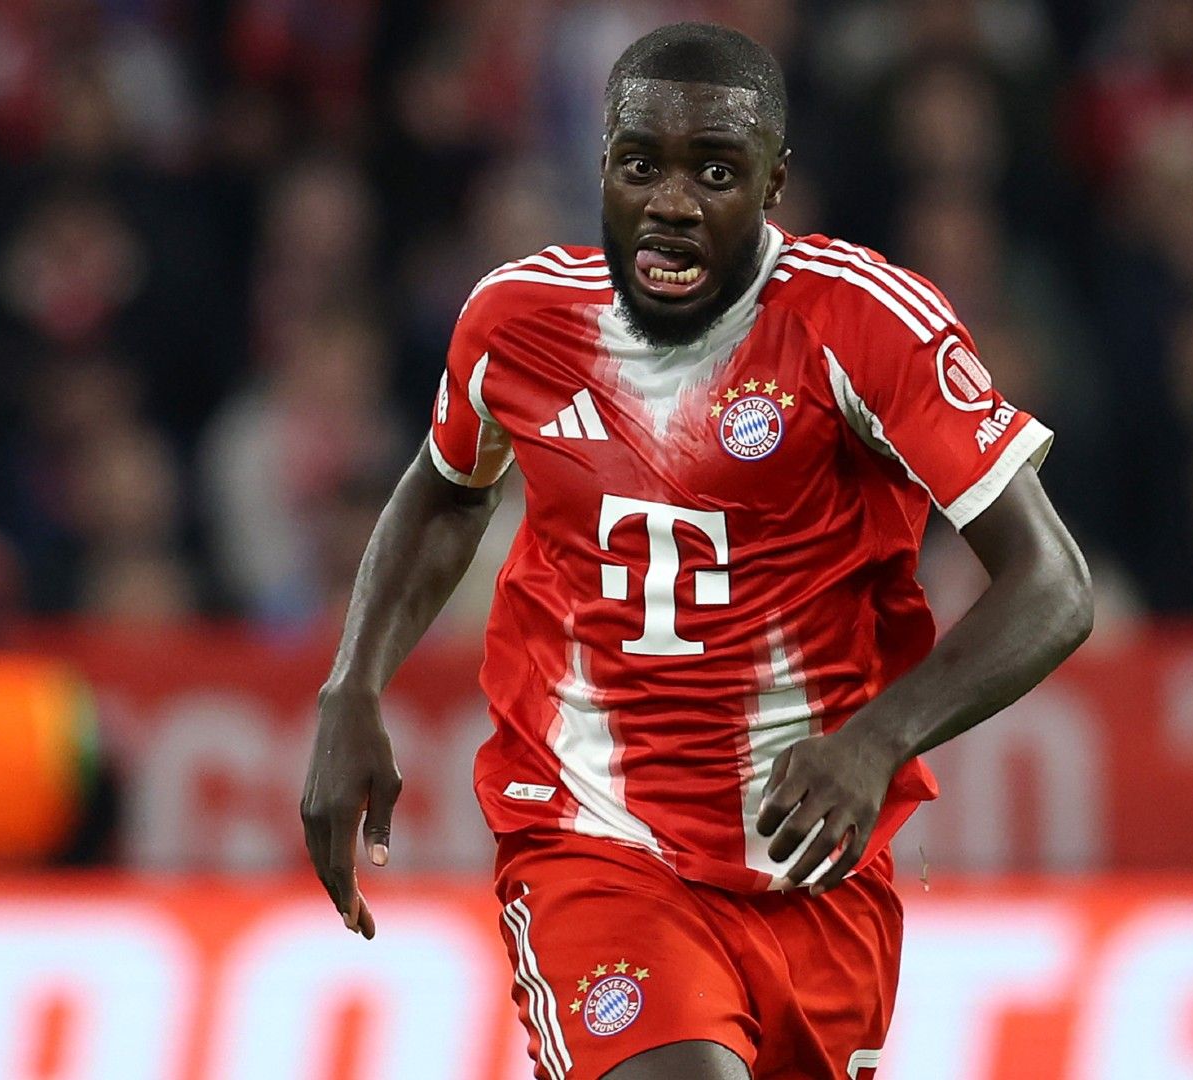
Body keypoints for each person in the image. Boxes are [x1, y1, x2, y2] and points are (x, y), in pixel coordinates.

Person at [302, 23, 1092, 1080]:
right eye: (641, 166)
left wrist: (876, 740)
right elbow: (449, 486)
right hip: (595, 843)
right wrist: (352, 686)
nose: (670, 202)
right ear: (603, 169)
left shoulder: (863, 327)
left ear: (775, 182)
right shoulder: (520, 320)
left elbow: (1054, 586)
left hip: (814, 873)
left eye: (715, 172)